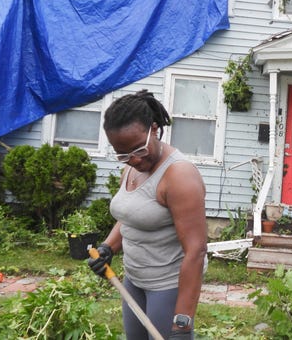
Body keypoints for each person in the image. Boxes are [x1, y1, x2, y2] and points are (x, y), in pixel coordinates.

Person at [88, 89, 208, 339]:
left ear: (154, 129)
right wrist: (108, 248)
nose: (133, 160)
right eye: (123, 155)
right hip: (134, 278)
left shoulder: (179, 176)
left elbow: (196, 250)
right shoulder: (132, 168)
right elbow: (132, 214)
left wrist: (182, 321)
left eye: (138, 149)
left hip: (168, 284)